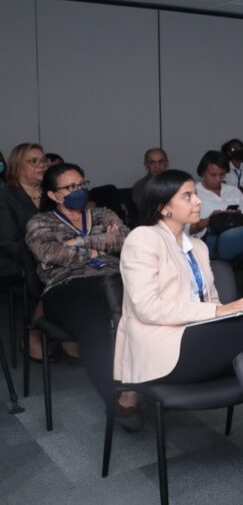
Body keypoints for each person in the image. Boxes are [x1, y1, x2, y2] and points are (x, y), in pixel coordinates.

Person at [114, 170, 243, 489]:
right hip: (164, 349)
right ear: (164, 207)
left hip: (199, 342)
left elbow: (209, 299)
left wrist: (222, 312)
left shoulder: (196, 248)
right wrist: (219, 310)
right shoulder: (143, 239)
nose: (198, 200)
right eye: (188, 195)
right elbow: (147, 307)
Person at [25, 163, 134, 425]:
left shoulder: (102, 214)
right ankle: (115, 398)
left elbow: (126, 239)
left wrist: (78, 243)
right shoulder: (40, 222)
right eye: (70, 187)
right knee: (94, 325)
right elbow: (50, 254)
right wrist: (99, 248)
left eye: (82, 184)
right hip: (67, 287)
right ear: (53, 195)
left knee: (138, 318)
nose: (79, 190)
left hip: (112, 279)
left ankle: (136, 388)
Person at [0, 143, 48, 359]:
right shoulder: (5, 197)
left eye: (43, 160)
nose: (41, 165)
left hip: (51, 256)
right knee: (59, 275)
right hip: (15, 259)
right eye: (33, 161)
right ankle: (35, 336)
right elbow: (8, 242)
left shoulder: (53, 193)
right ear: (18, 166)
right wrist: (42, 255)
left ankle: (68, 334)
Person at [192, 150, 243, 264]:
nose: (218, 179)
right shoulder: (194, 192)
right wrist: (211, 220)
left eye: (222, 175)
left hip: (236, 235)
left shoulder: (233, 191)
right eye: (213, 175)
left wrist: (236, 217)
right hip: (208, 240)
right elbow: (186, 230)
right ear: (203, 172)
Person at [132, 147, 169, 213]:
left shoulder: (176, 183)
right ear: (146, 165)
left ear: (167, 163)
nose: (157, 166)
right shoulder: (140, 186)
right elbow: (146, 211)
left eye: (160, 162)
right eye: (152, 162)